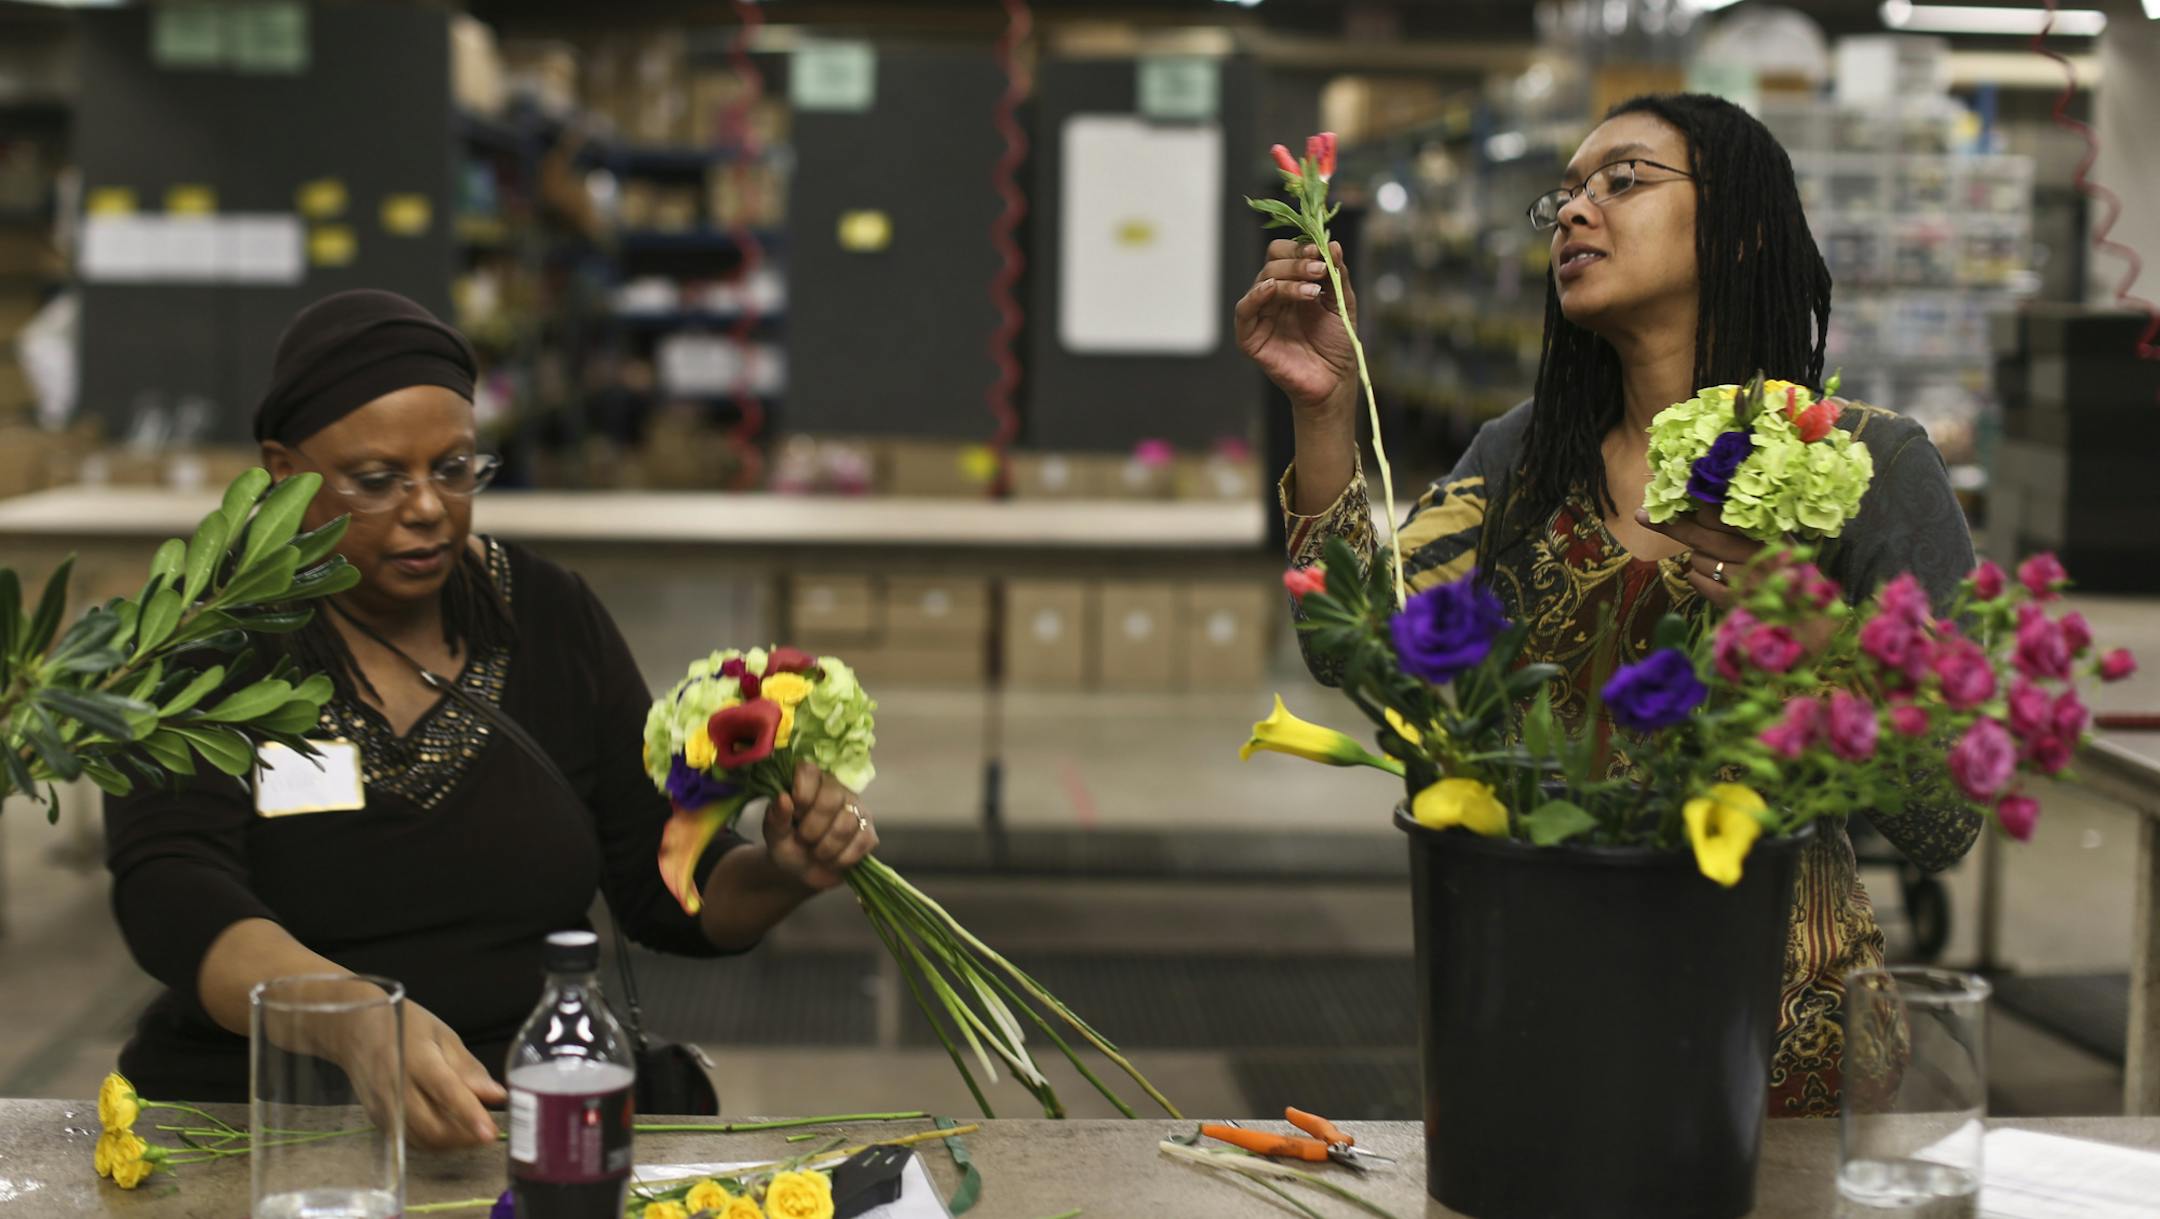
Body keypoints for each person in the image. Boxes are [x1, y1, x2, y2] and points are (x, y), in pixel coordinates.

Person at [1238, 93, 1980, 1118]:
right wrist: (1323, 413)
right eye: (1567, 193)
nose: (1578, 210)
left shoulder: (1863, 464)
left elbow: (1948, 813)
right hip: (1539, 1012)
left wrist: (1812, 642)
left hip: (1780, 1053)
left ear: (1743, 225)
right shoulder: (1524, 458)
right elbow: (1363, 647)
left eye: (1623, 181)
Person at [103, 290, 878, 1146]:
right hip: (258, 1118)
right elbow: (170, 888)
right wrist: (351, 1017)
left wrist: (780, 870)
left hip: (528, 1118)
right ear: (283, 472)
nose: (428, 505)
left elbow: (665, 881)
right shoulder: (203, 641)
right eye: (376, 480)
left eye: (455, 467)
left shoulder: (549, 616)